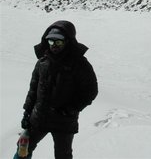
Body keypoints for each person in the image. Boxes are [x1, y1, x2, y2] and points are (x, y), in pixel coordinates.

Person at [13, 20, 98, 159]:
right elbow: (33, 89)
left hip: (63, 121)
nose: (54, 45)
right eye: (51, 41)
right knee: (23, 148)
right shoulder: (42, 62)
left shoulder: (80, 64)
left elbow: (91, 91)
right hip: (39, 117)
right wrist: (27, 112)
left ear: (68, 41)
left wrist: (71, 109)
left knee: (63, 155)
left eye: (58, 42)